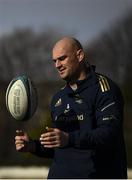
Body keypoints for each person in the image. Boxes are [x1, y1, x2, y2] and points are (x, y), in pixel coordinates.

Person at [15, 37, 127, 179]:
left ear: (80, 55)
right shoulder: (58, 98)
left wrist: (69, 138)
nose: (57, 65)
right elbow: (60, 147)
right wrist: (32, 146)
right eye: (54, 61)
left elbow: (108, 134)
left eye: (62, 58)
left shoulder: (105, 89)